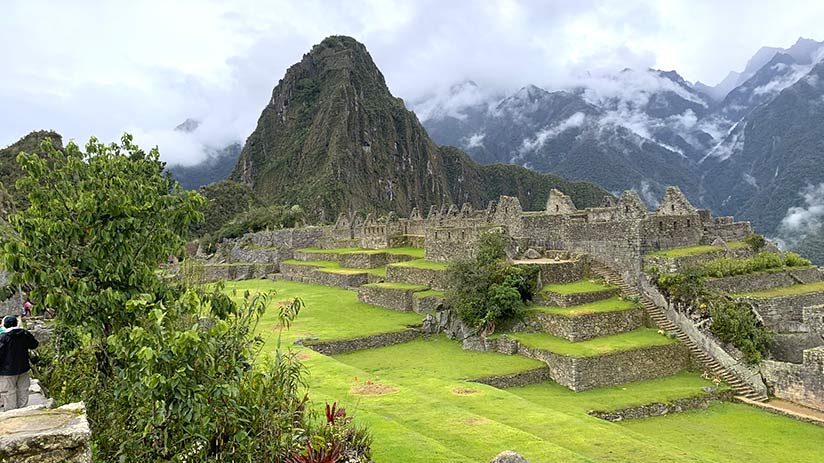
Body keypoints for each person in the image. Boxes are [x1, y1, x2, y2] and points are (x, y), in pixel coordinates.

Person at [0, 315, 39, 411]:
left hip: (7, 371)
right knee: (23, 390)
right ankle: (23, 410)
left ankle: (12, 413)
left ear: (4, 325)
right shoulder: (24, 334)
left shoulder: (3, 337)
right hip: (23, 368)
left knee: (9, 392)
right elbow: (34, 344)